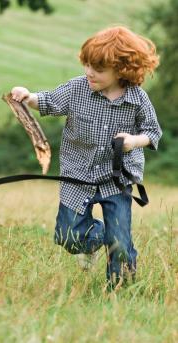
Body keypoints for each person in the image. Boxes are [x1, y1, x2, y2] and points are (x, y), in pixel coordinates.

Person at [10, 26, 162, 290]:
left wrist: (134, 141)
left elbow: (153, 132)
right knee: (68, 235)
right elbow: (47, 101)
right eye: (87, 65)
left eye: (98, 69)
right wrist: (28, 97)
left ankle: (121, 290)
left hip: (117, 179)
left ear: (122, 70)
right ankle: (97, 239)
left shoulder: (138, 99)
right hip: (76, 175)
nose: (89, 73)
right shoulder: (77, 89)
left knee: (121, 244)